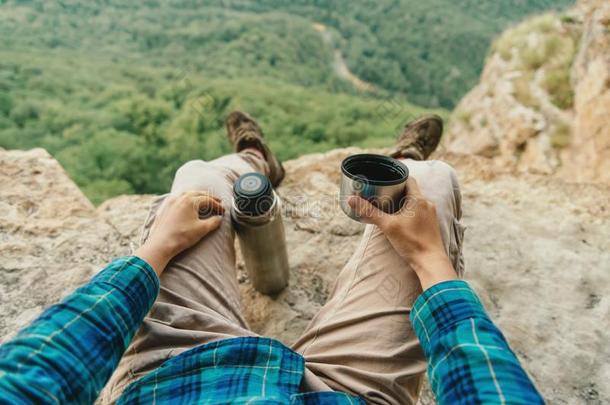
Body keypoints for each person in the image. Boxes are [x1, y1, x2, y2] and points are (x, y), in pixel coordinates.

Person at [0, 112, 543, 404]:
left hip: (176, 377)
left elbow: (40, 367)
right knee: (428, 181)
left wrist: (155, 250)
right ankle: (398, 163)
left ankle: (253, 159)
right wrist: (430, 260)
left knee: (197, 179)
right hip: (350, 394)